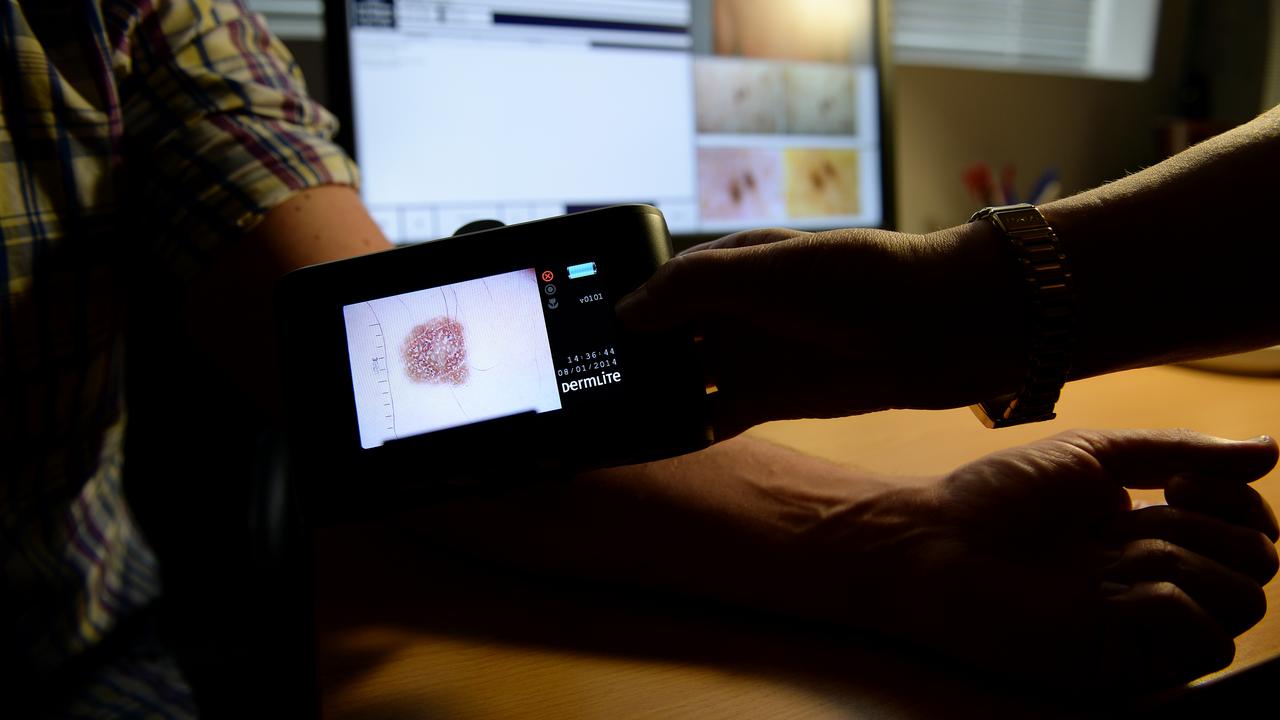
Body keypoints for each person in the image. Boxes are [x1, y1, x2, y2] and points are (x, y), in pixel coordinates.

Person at [1, 2, 1273, 716]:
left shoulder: (132, 18)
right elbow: (360, 383)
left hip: (89, 640)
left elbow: (339, 366)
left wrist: (896, 535)